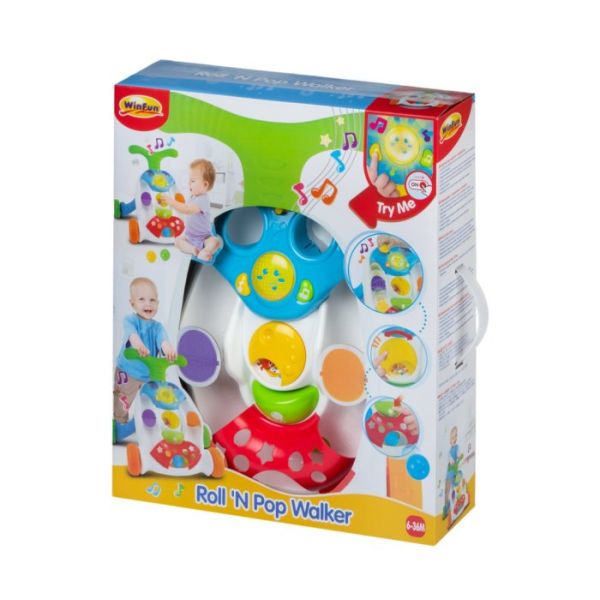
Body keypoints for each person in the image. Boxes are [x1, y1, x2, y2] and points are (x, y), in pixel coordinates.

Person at [113, 277, 175, 424]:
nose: (148, 304)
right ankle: (118, 422)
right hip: (127, 371)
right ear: (132, 303)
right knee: (122, 399)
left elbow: (163, 340)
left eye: (152, 300)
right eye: (142, 299)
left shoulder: (158, 327)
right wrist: (138, 345)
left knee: (153, 399)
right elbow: (132, 334)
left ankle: (152, 422)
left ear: (158, 303)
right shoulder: (130, 320)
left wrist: (168, 350)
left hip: (149, 374)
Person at [166, 159, 221, 261]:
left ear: (205, 185)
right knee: (177, 241)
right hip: (189, 236)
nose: (189, 183)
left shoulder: (202, 199)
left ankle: (205, 251)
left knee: (215, 241)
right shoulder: (193, 197)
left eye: (192, 181)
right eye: (189, 180)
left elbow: (187, 210)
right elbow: (186, 212)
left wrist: (172, 202)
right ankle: (193, 250)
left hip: (204, 237)